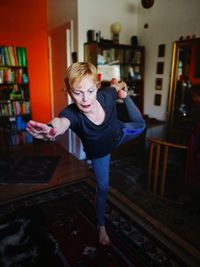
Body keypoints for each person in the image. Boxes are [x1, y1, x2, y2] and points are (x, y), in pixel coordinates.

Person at [26, 62, 145, 246]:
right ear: (69, 92)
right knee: (103, 188)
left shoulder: (106, 95)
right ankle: (101, 225)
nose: (85, 99)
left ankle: (126, 98)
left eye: (90, 91)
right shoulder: (72, 114)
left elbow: (116, 86)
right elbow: (61, 122)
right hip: (100, 154)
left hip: (119, 134)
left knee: (142, 125)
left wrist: (122, 90)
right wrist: (51, 129)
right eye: (77, 92)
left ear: (97, 87)